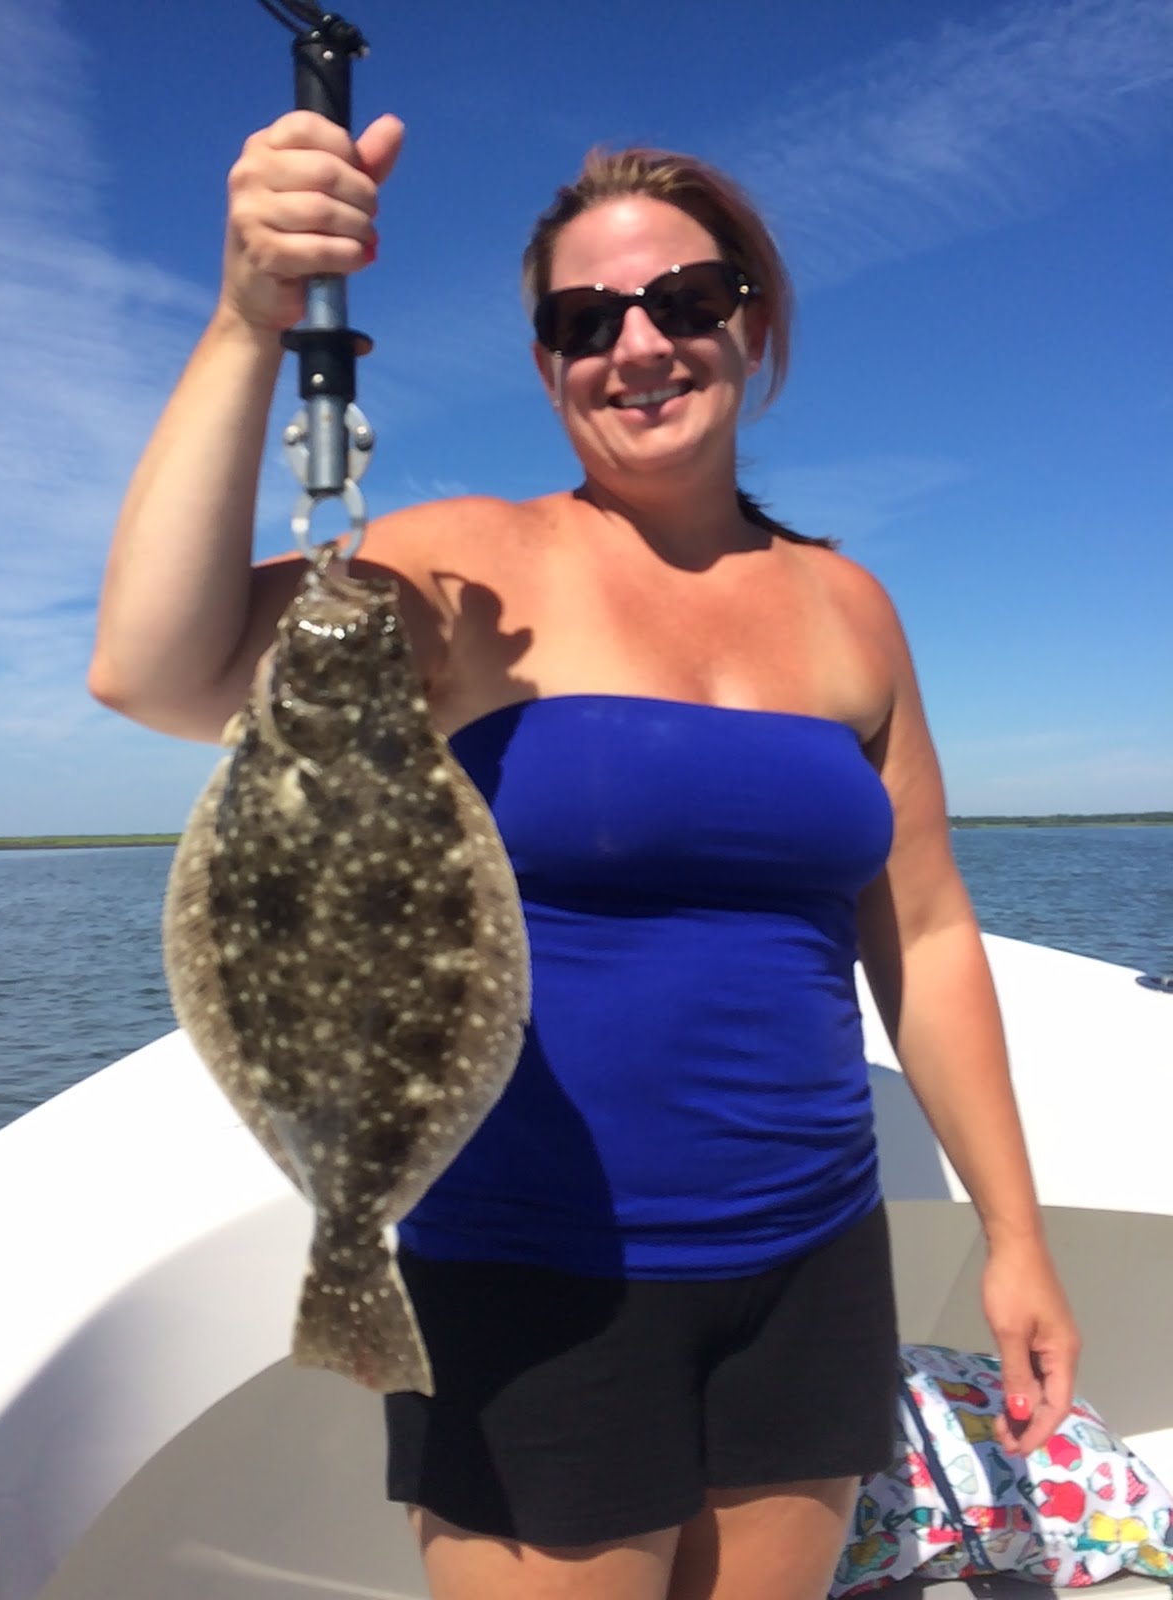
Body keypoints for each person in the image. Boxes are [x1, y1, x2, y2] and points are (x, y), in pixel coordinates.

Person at [90, 110, 1081, 1600]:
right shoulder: (463, 566)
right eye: (583, 319)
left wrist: (1017, 1237)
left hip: (811, 1259)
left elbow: (925, 934)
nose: (640, 346)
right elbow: (155, 670)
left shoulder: (850, 608)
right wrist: (249, 321)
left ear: (751, 325)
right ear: (549, 359)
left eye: (686, 302)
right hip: (530, 1277)